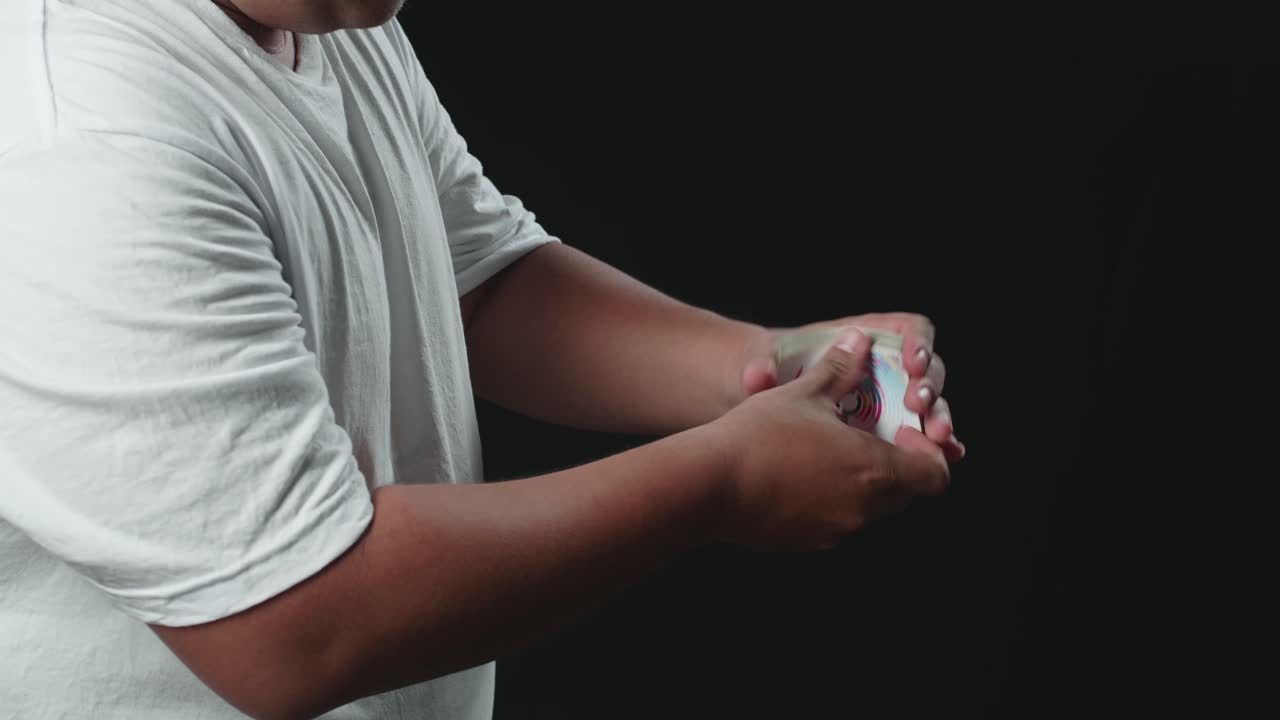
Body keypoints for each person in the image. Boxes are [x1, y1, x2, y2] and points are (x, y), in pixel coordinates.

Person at [0, 1, 965, 718]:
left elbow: (470, 279)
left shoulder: (325, 13)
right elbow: (292, 624)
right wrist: (724, 480)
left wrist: (771, 365)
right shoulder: (78, 129)